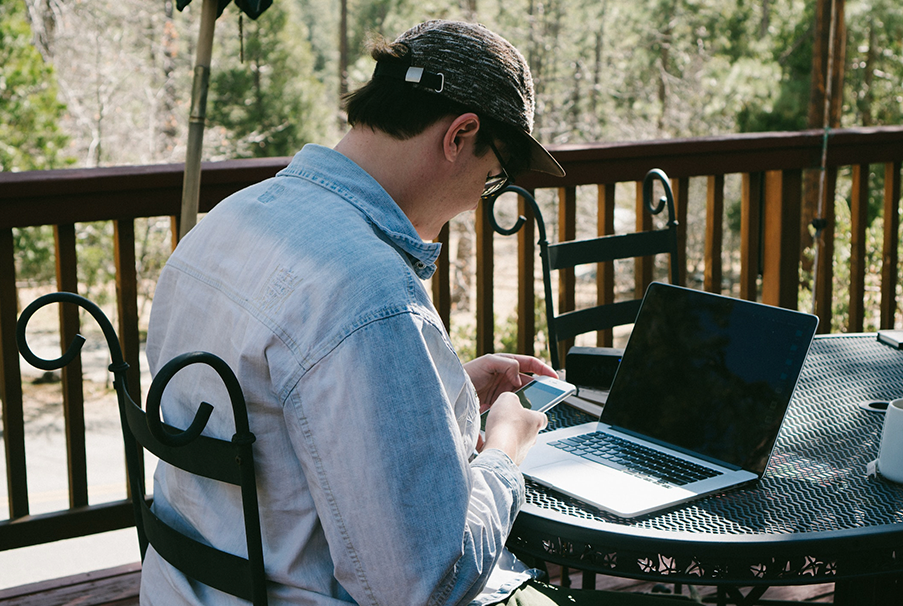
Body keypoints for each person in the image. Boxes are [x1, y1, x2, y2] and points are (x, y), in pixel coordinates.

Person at [141, 19, 695, 606]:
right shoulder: (367, 292)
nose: (483, 197)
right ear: (460, 135)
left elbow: (294, 416)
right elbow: (428, 584)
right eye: (495, 176)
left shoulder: (229, 220)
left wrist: (442, 389)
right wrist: (506, 451)